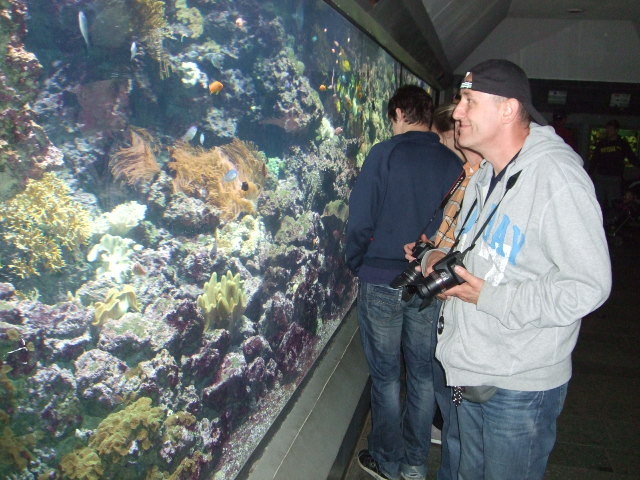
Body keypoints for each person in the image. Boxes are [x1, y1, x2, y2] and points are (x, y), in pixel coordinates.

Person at [420, 59, 612, 480]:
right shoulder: (486, 174)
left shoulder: (556, 178)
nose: (457, 112)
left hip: (518, 384)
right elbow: (477, 253)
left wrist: (487, 296)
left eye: (469, 100)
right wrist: (435, 258)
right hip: (469, 365)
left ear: (508, 109)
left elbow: (588, 285)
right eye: (459, 100)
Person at [346, 85, 463, 480]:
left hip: (381, 277)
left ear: (397, 112)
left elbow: (361, 215)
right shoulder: (453, 162)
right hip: (428, 282)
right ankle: (415, 463)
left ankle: (386, 459)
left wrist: (356, 260)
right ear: (427, 114)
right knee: (423, 373)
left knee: (385, 376)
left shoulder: (384, 153)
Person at [590, 119, 640, 225]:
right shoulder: (602, 143)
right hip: (601, 178)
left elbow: (631, 157)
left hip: (614, 179)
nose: (609, 131)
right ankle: (597, 225)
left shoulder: (622, 143)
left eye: (611, 129)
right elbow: (594, 159)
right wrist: (590, 173)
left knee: (614, 205)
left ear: (616, 130)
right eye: (608, 129)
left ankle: (612, 226)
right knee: (598, 203)